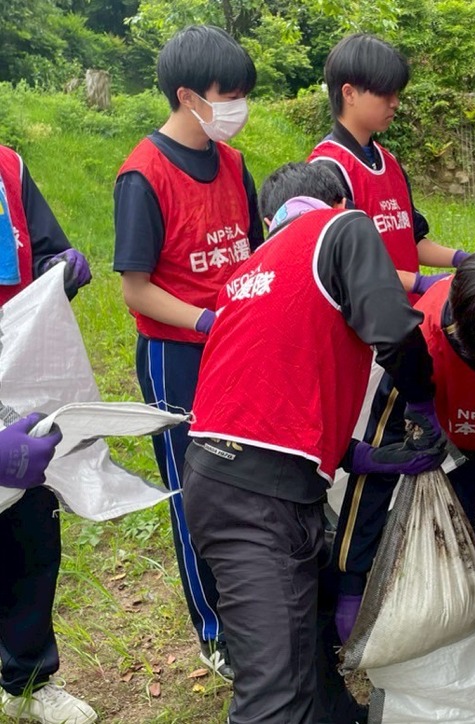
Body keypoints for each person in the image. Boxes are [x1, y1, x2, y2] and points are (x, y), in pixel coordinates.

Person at [182, 161, 446, 724]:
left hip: (220, 475)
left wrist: (359, 456)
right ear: (339, 202)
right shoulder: (341, 227)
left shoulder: (248, 273)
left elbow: (261, 400)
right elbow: (394, 331)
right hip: (255, 500)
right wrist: (423, 402)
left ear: (267, 221)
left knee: (305, 634)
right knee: (273, 693)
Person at [328, 248, 475, 655]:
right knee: (453, 534)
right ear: (460, 330)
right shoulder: (421, 342)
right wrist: (351, 577)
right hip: (453, 445)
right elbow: (379, 463)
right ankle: (466, 611)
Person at [112, 24, 261, 681]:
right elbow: (136, 289)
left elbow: (253, 248)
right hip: (178, 355)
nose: (238, 107)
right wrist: (206, 319)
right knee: (193, 489)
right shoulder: (142, 175)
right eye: (228, 95)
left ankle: (257, 606)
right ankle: (215, 629)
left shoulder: (233, 163)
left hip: (238, 346)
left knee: (248, 475)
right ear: (187, 96)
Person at [0, 145, 94, 723]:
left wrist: (58, 270)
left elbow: (41, 252)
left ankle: (26, 679)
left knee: (28, 531)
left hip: (17, 371)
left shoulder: (8, 167)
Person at [308, 33, 469, 303]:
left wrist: (463, 259)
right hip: (368, 323)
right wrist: (420, 282)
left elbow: (412, 241)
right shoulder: (328, 170)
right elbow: (345, 267)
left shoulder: (389, 162)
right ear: (349, 93)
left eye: (396, 93)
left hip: (408, 315)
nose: (395, 102)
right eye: (385, 93)